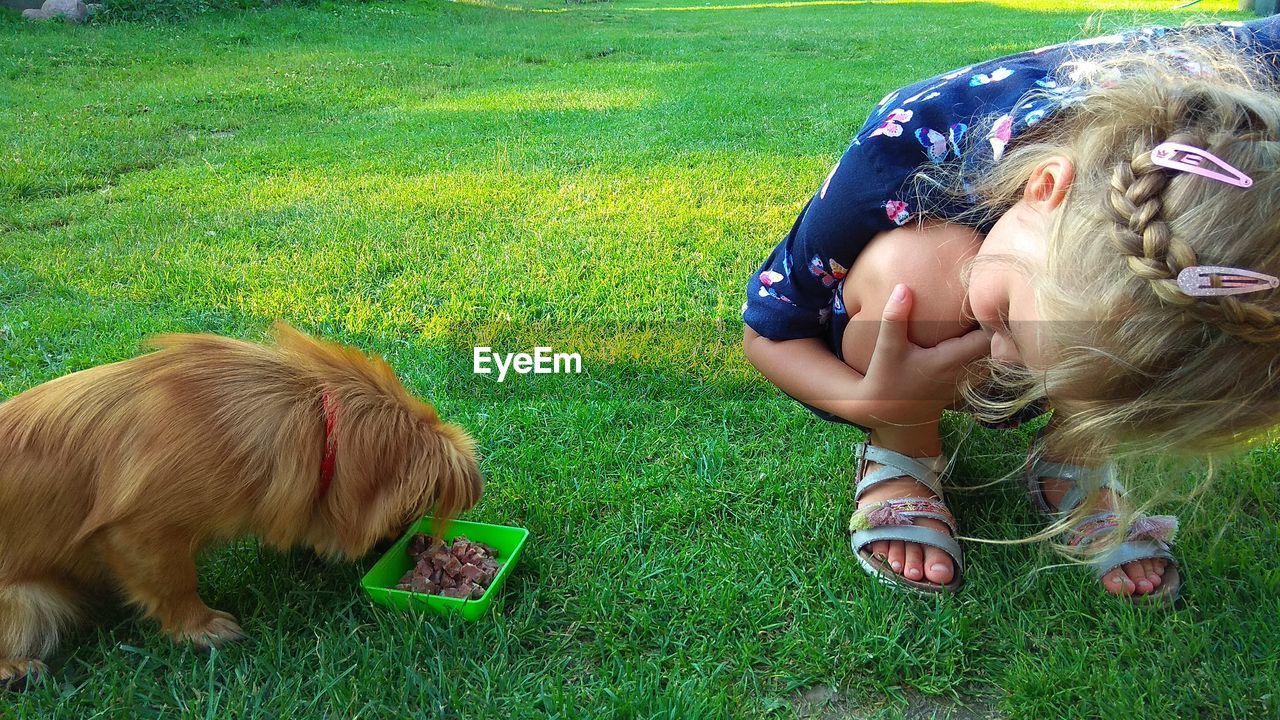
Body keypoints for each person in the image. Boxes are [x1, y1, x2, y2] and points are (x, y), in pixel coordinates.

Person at [741, 16, 1280, 600]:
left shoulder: (1248, 117)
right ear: (1044, 187)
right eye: (1006, 323)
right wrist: (871, 400)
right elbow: (771, 329)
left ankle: (1078, 454)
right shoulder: (902, 154)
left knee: (1144, 342)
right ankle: (904, 444)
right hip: (911, 314)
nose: (998, 362)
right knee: (919, 280)